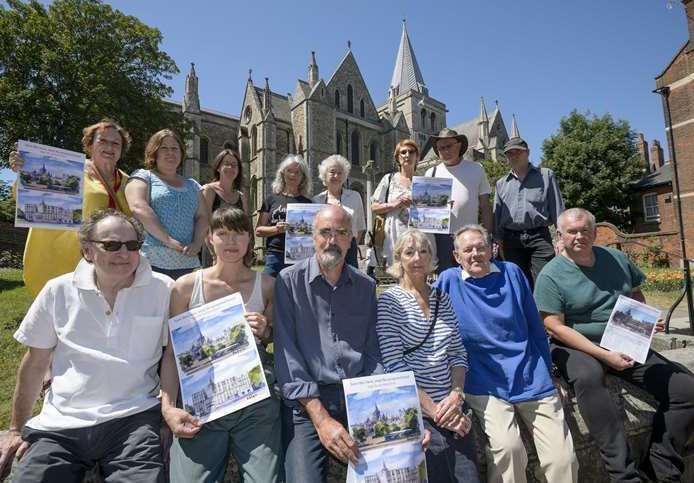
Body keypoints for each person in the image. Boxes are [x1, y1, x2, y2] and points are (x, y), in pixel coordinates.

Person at [0, 209, 173, 482]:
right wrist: (15, 429)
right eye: (111, 245)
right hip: (61, 424)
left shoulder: (164, 289)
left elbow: (185, 353)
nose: (124, 253)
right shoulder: (58, 290)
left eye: (132, 245)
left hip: (134, 419)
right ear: (87, 251)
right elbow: (35, 363)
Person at [534, 208, 694, 483]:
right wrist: (604, 356)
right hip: (575, 344)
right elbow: (554, 327)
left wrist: (644, 321)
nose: (579, 236)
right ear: (560, 236)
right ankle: (624, 475)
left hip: (623, 337)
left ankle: (661, 464)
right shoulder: (551, 275)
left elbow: (635, 293)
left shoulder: (616, 258)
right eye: (572, 231)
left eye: (585, 230)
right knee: (589, 377)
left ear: (595, 233)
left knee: (687, 390)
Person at [436, 224, 578, 483]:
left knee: (563, 458)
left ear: (493, 249)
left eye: (481, 247)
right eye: (467, 250)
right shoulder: (448, 281)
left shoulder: (511, 273)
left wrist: (550, 372)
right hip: (483, 380)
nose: (475, 254)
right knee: (508, 449)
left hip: (530, 374)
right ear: (456, 257)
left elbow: (535, 326)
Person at [161, 207, 281, 483]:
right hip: (202, 403)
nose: (231, 242)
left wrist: (267, 330)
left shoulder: (267, 285)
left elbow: (273, 339)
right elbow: (171, 355)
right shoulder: (186, 287)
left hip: (255, 402)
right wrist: (168, 407)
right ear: (209, 239)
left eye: (239, 234)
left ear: (249, 240)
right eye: (222, 233)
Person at [273, 205, 384, 481]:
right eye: (325, 232)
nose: (332, 240)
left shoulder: (366, 286)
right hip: (308, 403)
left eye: (341, 232)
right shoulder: (288, 282)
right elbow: (288, 358)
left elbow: (374, 354)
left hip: (358, 398)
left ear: (351, 239)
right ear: (313, 236)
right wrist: (321, 419)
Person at [377, 228, 479, 482]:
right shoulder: (390, 302)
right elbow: (395, 367)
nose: (417, 258)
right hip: (418, 412)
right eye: (409, 252)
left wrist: (456, 395)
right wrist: (436, 412)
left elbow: (457, 353)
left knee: (469, 477)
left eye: (424, 251)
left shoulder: (442, 298)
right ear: (398, 258)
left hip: (451, 405)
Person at [9, 119, 133, 297]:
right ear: (89, 146)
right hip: (64, 256)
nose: (109, 147)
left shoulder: (128, 181)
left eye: (115, 143)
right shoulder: (68, 170)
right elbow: (23, 197)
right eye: (102, 141)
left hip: (108, 261)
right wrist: (24, 170)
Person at [125, 129, 209, 280]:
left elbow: (202, 217)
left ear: (181, 153)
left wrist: (197, 243)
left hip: (188, 263)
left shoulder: (193, 185)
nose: (170, 152)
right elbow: (138, 206)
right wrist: (168, 240)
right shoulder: (143, 176)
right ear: (154, 152)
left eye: (174, 148)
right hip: (151, 261)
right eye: (164, 148)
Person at [493, 137, 564, 287]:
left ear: (527, 153)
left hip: (539, 237)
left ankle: (545, 311)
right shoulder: (501, 183)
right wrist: (497, 240)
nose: (513, 156)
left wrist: (561, 238)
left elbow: (557, 207)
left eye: (517, 152)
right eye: (509, 154)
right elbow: (497, 214)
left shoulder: (546, 175)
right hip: (511, 240)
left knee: (546, 281)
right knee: (518, 283)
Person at [425, 128, 492, 273]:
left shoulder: (476, 169)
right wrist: (439, 206)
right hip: (442, 240)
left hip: (470, 238)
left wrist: (487, 237)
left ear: (459, 145)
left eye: (448, 146)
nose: (444, 151)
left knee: (473, 278)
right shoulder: (431, 173)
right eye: (440, 148)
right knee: (446, 283)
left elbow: (485, 206)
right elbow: (426, 214)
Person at [372, 139, 435, 266]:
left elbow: (434, 213)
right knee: (398, 269)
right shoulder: (388, 179)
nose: (407, 155)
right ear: (397, 158)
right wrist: (394, 204)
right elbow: (374, 207)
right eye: (403, 152)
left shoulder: (426, 183)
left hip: (420, 233)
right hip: (395, 232)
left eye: (411, 152)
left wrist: (443, 205)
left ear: (417, 157)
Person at [255, 155, 312, 278]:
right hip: (275, 255)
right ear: (283, 174)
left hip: (299, 257)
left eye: (297, 172)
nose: (293, 175)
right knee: (268, 293)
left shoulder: (308, 204)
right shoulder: (271, 199)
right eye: (289, 171)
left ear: (302, 177)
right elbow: (259, 230)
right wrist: (276, 229)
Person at [312, 154, 366, 268]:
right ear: (324, 176)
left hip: (349, 248)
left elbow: (360, 226)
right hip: (325, 247)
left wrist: (349, 246)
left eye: (340, 173)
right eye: (332, 172)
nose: (336, 176)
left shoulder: (355, 197)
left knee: (350, 282)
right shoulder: (316, 201)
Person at [200, 148, 249, 267]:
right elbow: (204, 224)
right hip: (215, 249)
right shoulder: (209, 190)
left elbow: (246, 227)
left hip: (237, 251)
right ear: (218, 167)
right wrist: (214, 254)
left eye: (234, 165)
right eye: (226, 164)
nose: (231, 168)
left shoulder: (241, 196)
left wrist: (247, 253)